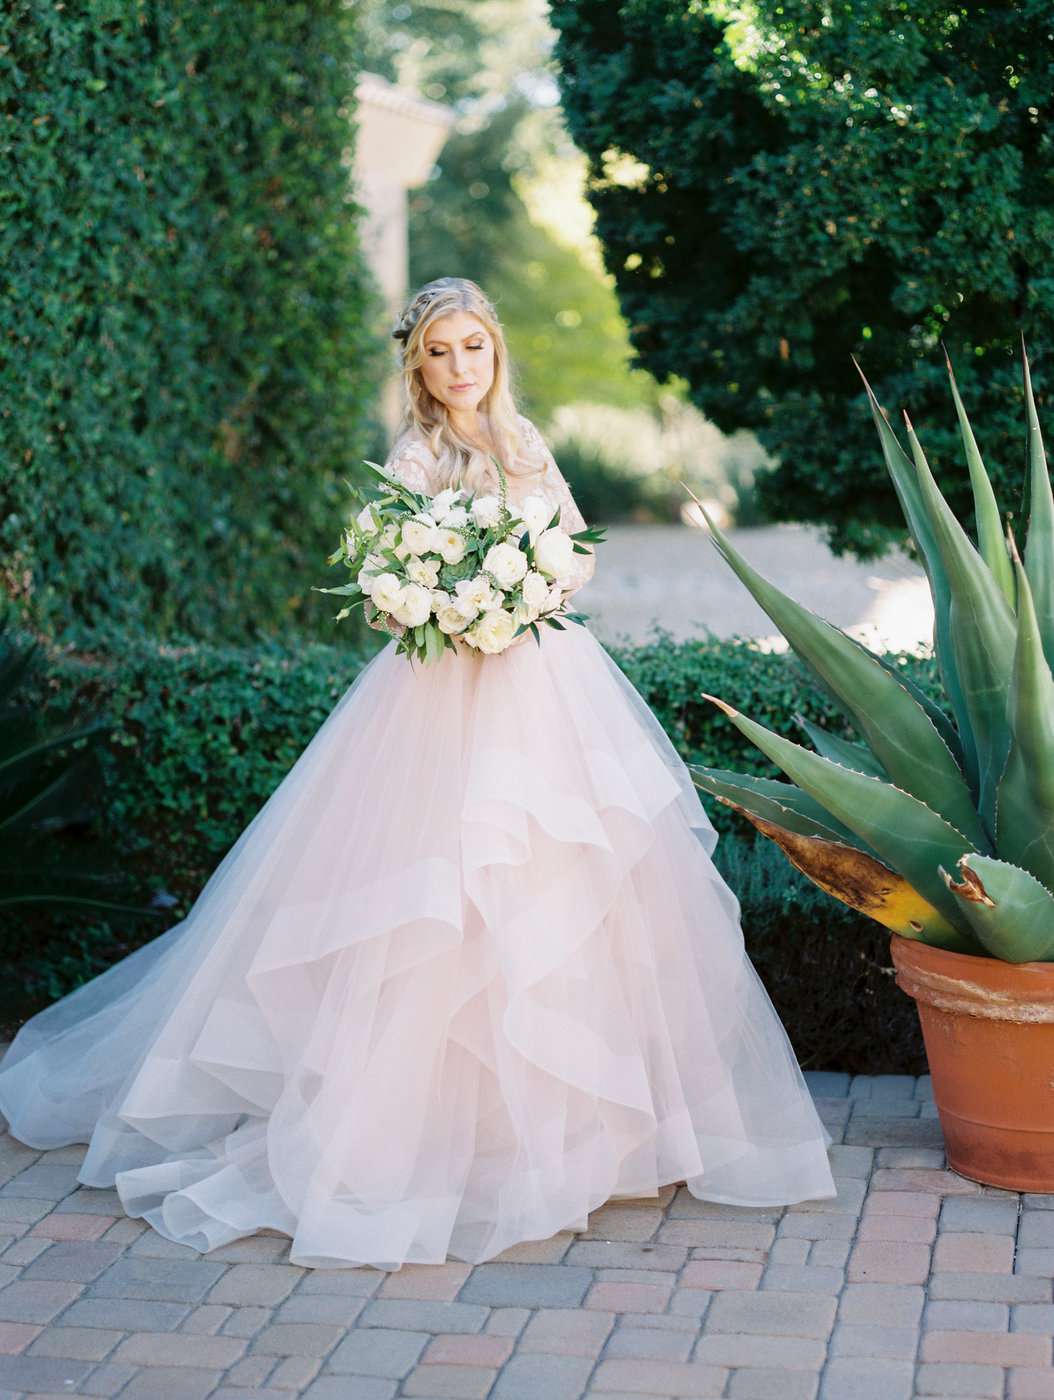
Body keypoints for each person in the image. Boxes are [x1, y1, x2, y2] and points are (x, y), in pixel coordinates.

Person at [0, 277, 835, 1271]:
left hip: (542, 680)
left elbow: (572, 549)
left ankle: (582, 1134)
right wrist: (445, 596)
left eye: (471, 347)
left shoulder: (525, 446)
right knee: (441, 896)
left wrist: (529, 581)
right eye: (437, 352)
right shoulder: (415, 454)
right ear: (416, 365)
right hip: (441, 698)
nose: (456, 367)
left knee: (560, 881)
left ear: (495, 351)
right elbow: (386, 580)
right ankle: (431, 1129)